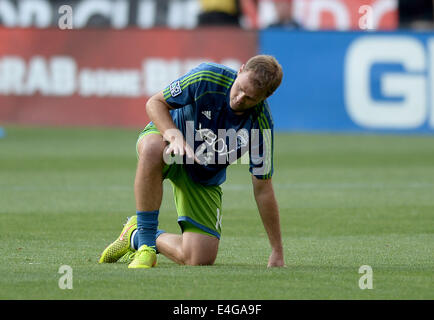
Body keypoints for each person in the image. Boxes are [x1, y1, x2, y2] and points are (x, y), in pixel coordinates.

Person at [98, 55, 285, 268]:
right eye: (240, 88)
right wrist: (174, 135)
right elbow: (155, 102)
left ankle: (135, 233)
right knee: (152, 148)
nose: (239, 98)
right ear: (240, 70)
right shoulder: (207, 77)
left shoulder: (261, 127)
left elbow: (263, 189)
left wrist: (277, 250)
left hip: (203, 175)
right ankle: (146, 247)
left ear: (265, 97)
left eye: (250, 97)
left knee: (199, 258)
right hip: (172, 147)